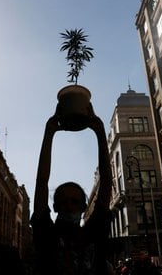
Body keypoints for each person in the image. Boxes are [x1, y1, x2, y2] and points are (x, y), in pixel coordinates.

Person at [30, 105, 113, 275]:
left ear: (84, 207)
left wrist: (99, 131)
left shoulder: (93, 233)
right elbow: (41, 182)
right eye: (62, 202)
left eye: (75, 202)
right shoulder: (46, 234)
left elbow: (105, 182)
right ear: (54, 207)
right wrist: (49, 133)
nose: (68, 206)